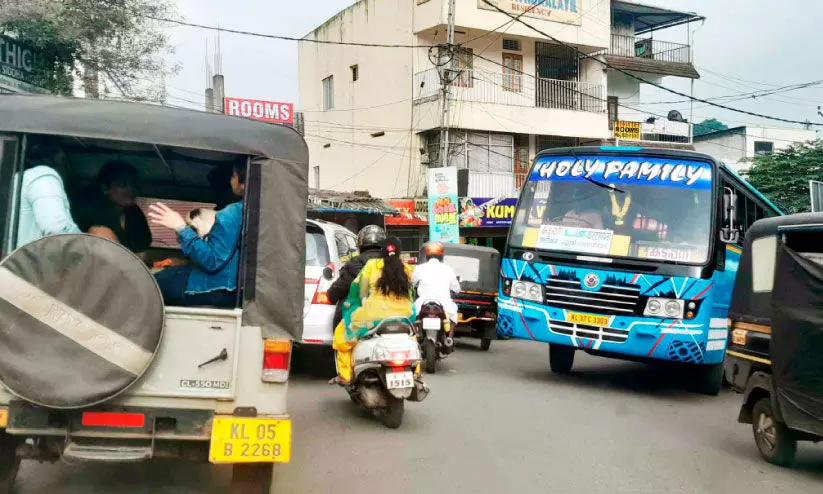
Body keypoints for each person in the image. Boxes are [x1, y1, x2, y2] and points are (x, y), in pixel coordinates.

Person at [147, 162, 245, 308]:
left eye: (233, 175)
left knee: (149, 283)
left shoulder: (231, 213)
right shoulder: (255, 212)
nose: (231, 180)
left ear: (242, 183)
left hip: (216, 287)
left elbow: (212, 261)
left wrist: (180, 227)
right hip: (236, 289)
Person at [331, 237, 415, 384]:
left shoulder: (372, 265)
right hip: (404, 314)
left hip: (375, 313)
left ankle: (345, 375)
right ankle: (416, 373)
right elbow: (411, 294)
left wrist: (359, 300)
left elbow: (359, 290)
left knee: (343, 334)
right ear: (400, 252)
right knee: (412, 337)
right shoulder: (407, 268)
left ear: (382, 250)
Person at [74, 160, 152, 254]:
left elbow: (142, 249)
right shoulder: (88, 212)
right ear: (105, 189)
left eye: (134, 185)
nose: (130, 189)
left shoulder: (135, 213)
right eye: (122, 184)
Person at [15, 139, 81, 248]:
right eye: (67, 161)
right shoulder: (43, 177)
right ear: (60, 158)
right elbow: (57, 229)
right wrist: (87, 249)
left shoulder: (22, 178)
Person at [327, 225, 386, 328]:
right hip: (390, 317)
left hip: (357, 321)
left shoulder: (353, 264)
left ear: (360, 243)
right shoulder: (393, 264)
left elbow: (334, 293)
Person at [413, 242, 461, 327]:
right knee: (453, 318)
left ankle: (416, 332)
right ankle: (450, 335)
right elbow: (456, 288)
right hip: (444, 302)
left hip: (423, 302)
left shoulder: (419, 268)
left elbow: (412, 282)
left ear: (427, 256)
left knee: (413, 317)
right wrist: (457, 290)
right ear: (441, 256)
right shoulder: (448, 269)